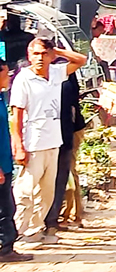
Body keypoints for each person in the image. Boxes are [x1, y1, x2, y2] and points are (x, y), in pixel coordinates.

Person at [10, 38, 86, 246]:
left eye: (44, 54)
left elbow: (81, 60)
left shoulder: (56, 73)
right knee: (25, 192)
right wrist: (18, 145)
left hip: (53, 142)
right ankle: (19, 232)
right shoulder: (23, 79)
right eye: (36, 54)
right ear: (29, 56)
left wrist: (57, 51)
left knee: (46, 193)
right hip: (33, 143)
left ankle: (35, 231)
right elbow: (16, 116)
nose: (40, 58)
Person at [44, 69, 86, 236]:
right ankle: (65, 213)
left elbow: (71, 103)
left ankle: (70, 213)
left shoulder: (62, 72)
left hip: (69, 130)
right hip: (61, 131)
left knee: (67, 172)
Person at [0, 62, 31, 262]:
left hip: (5, 161)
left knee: (7, 206)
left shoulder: (2, 98)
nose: (9, 76)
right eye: (6, 73)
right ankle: (5, 248)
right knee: (4, 208)